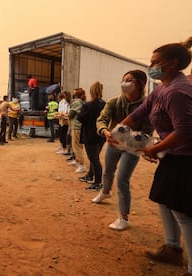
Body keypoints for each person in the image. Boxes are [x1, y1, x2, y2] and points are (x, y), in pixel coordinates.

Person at [121, 37, 192, 274]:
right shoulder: (161, 88)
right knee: (164, 199)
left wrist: (153, 148)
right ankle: (172, 249)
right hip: (172, 155)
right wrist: (119, 131)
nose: (151, 67)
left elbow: (184, 132)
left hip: (185, 157)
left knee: (182, 211)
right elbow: (141, 112)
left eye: (155, 62)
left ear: (172, 64)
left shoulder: (177, 92)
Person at [92, 70, 152, 232]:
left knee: (122, 178)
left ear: (140, 84)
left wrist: (131, 139)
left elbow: (147, 131)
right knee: (108, 170)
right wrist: (105, 131)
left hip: (133, 146)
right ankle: (105, 191)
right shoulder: (114, 102)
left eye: (129, 80)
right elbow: (102, 119)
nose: (124, 83)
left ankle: (123, 218)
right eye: (123, 80)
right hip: (114, 142)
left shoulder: (146, 105)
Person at [77, 82, 106, 190]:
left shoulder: (88, 105)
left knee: (94, 159)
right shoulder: (104, 104)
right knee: (95, 157)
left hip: (90, 135)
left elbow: (80, 118)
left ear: (91, 91)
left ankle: (98, 182)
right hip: (101, 135)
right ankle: (90, 175)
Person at [68, 88, 86, 173]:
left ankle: (81, 165)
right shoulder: (83, 102)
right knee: (79, 145)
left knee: (76, 146)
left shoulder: (76, 103)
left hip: (76, 126)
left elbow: (70, 115)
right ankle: (77, 160)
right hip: (81, 126)